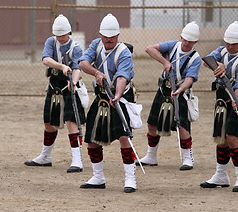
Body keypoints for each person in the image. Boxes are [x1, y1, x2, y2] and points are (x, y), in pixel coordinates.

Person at [78, 13, 138, 193]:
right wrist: (96, 73)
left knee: (124, 137)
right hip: (101, 98)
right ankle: (98, 177)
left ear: (118, 36)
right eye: (106, 36)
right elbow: (82, 63)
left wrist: (117, 95)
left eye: (112, 36)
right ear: (101, 35)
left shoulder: (124, 52)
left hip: (121, 97)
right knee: (92, 139)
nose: (109, 39)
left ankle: (130, 178)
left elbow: (122, 77)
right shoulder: (96, 45)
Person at [24, 14, 86, 173]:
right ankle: (45, 156)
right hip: (54, 85)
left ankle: (77, 159)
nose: (59, 38)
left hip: (69, 85)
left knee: (71, 121)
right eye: (57, 35)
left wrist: (74, 81)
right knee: (49, 121)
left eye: (62, 35)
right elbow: (45, 59)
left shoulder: (76, 48)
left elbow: (77, 68)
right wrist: (62, 67)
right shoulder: (51, 42)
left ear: (69, 33)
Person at [139, 21, 201, 171]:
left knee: (182, 125)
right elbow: (149, 49)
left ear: (195, 42)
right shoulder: (173, 45)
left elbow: (190, 79)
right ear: (181, 36)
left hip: (180, 92)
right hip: (164, 90)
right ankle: (151, 156)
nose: (186, 43)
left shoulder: (195, 58)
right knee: (152, 123)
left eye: (190, 41)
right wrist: (165, 61)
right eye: (185, 39)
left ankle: (187, 157)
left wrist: (180, 90)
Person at [200, 21, 238, 192]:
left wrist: (236, 102)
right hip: (222, 99)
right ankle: (221, 175)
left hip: (236, 98)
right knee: (221, 137)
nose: (229, 46)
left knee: (232, 137)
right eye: (227, 42)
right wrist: (218, 65)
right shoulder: (222, 51)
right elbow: (207, 60)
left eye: (233, 43)